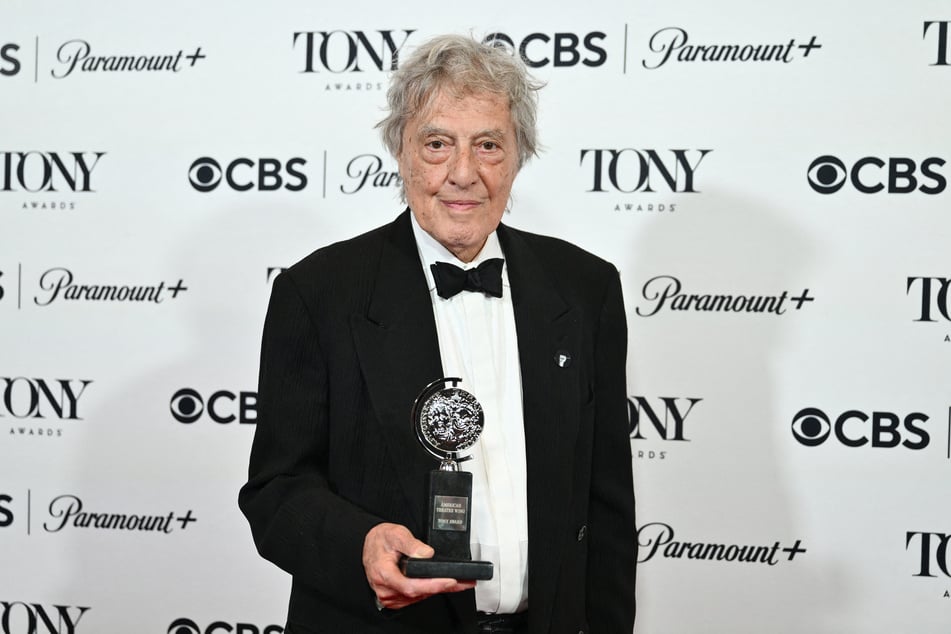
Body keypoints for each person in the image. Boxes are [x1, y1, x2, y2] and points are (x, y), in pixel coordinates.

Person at [239, 34, 636, 634]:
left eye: (488, 145)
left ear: (519, 156)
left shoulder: (585, 288)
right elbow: (277, 491)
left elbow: (607, 506)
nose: (463, 173)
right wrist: (361, 543)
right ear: (400, 151)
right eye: (437, 144)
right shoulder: (320, 292)